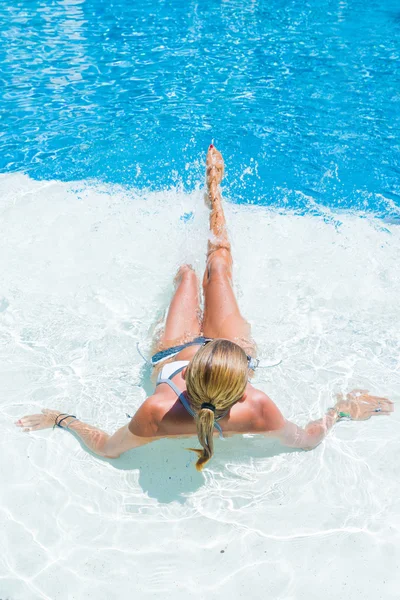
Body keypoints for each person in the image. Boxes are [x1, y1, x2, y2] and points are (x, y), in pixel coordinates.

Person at [15, 145, 393, 470]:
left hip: (172, 351)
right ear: (244, 388)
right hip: (224, 353)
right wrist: (344, 409)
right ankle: (215, 192)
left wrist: (61, 419)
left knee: (188, 275)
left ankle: (211, 199)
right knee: (219, 268)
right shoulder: (258, 407)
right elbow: (308, 438)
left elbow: (108, 449)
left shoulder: (158, 412)